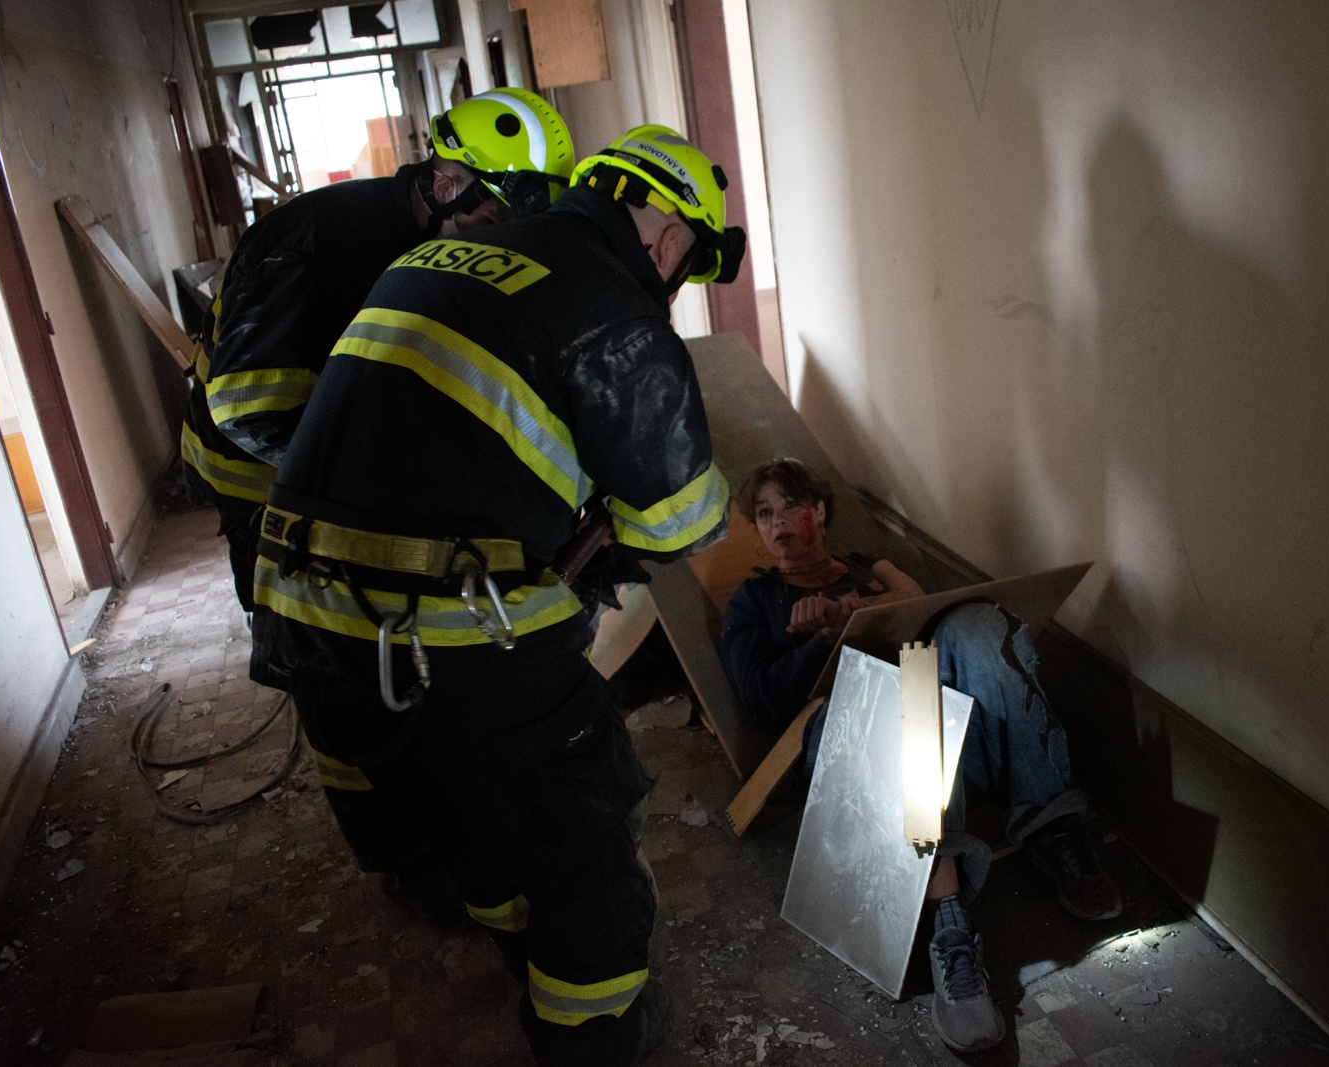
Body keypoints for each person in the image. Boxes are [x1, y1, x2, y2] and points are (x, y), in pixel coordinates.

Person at [248, 124, 745, 1066]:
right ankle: (595, 1032)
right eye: (689, 260)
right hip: (445, 623)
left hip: (301, 601)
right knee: (578, 829)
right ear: (671, 232)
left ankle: (505, 936)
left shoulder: (444, 252)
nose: (677, 281)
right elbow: (680, 522)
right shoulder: (614, 309)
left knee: (459, 795)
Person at [177, 88, 576, 915]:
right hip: (263, 485)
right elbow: (246, 408)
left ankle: (428, 794)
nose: (498, 235)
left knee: (390, 645)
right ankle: (399, 856)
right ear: (445, 180)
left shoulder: (439, 241)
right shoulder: (319, 240)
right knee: (327, 667)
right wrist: (369, 479)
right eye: (493, 213)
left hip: (350, 480)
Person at [720, 459, 1122, 1053]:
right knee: (908, 693)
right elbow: (760, 702)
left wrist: (855, 608)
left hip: (940, 715)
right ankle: (946, 921)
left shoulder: (868, 568)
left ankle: (1052, 827)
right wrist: (821, 643)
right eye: (765, 513)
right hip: (850, 741)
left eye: (791, 506)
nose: (779, 522)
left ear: (821, 512)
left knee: (980, 627)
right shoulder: (756, 600)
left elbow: (924, 612)